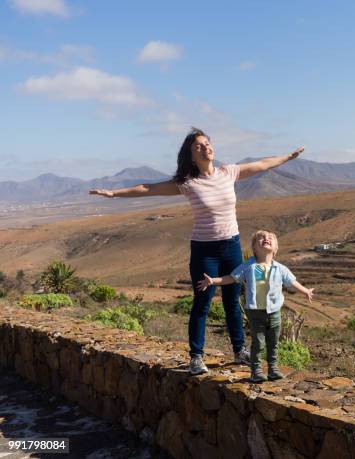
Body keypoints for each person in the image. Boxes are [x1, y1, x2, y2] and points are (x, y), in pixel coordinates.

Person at [89, 128, 304, 375]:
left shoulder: (228, 172)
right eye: (198, 146)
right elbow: (148, 188)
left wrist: (287, 157)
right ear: (191, 156)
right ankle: (196, 357)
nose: (206, 148)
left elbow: (263, 164)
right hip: (205, 251)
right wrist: (113, 194)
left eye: (207, 143)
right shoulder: (187, 183)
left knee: (233, 301)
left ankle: (239, 350)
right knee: (202, 302)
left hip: (231, 246)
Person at [198, 230, 314, 382]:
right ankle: (256, 370)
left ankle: (273, 369)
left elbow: (292, 282)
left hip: (274, 312)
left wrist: (305, 291)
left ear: (276, 249)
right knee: (258, 343)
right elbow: (232, 278)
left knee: (273, 343)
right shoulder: (249, 266)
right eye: (261, 238)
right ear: (254, 248)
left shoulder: (280, 268)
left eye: (270, 238)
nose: (266, 239)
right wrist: (213, 281)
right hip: (255, 312)